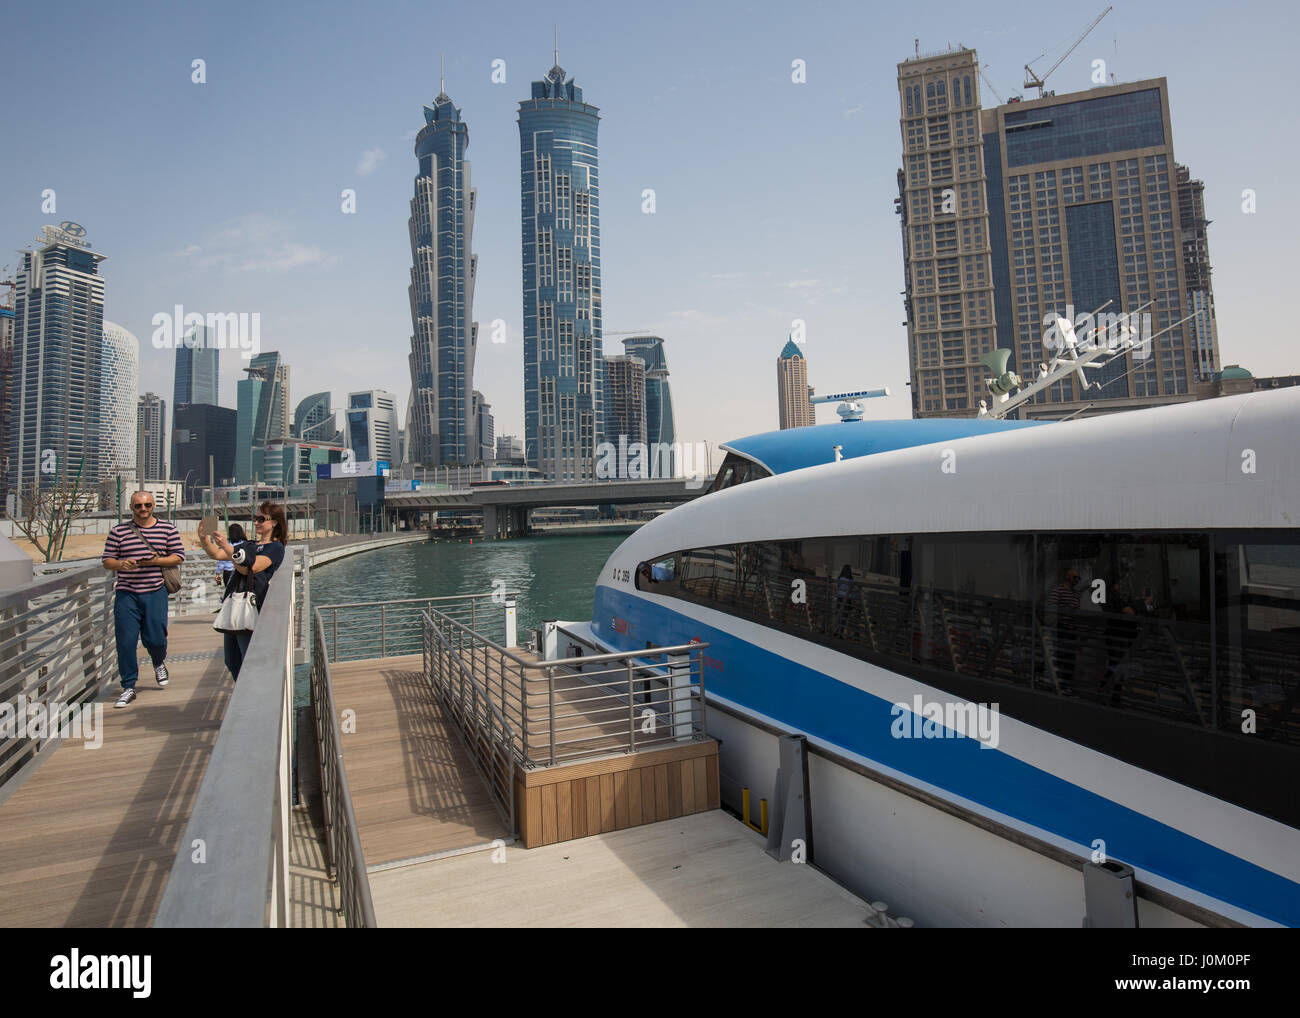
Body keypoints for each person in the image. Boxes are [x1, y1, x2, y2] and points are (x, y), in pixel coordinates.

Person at [101, 491, 186, 708]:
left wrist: (155, 561)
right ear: (131, 507)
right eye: (138, 505)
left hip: (155, 591)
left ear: (153, 505)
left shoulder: (167, 529)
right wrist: (121, 564)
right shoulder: (118, 531)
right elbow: (107, 561)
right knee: (126, 642)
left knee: (156, 638)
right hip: (127, 593)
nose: (143, 509)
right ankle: (129, 686)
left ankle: (158, 662)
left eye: (147, 504)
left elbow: (178, 556)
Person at [197, 502, 288, 680]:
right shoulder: (249, 544)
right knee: (231, 660)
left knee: (247, 658)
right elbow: (216, 555)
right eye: (255, 518)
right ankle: (241, 691)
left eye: (261, 519)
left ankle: (251, 696)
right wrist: (204, 539)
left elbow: (250, 568)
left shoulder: (275, 548)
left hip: (250, 605)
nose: (256, 523)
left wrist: (228, 547)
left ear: (274, 523)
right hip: (234, 602)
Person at [1046, 566, 1082, 691]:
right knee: (1060, 657)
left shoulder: (1077, 594)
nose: (1077, 580)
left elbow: (1077, 611)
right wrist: (1063, 615)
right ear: (1067, 576)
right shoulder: (1058, 590)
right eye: (1074, 577)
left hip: (1072, 630)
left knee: (1070, 659)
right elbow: (1052, 608)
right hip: (1061, 629)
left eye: (1079, 578)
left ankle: (1065, 685)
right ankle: (1056, 684)